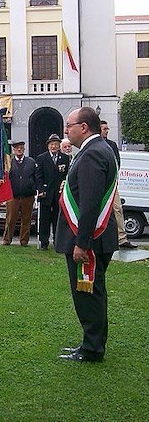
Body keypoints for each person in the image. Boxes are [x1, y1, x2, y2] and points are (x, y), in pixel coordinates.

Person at [56, 107, 118, 362]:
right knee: (93, 291)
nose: (66, 131)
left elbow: (91, 203)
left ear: (83, 127)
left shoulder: (92, 154)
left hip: (88, 241)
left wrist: (82, 243)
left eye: (69, 125)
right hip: (97, 238)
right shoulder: (100, 149)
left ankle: (92, 348)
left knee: (87, 293)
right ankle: (93, 343)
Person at [100, 120, 137, 249]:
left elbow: (117, 163)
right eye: (104, 128)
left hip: (110, 183)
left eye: (107, 128)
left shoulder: (111, 145)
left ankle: (121, 238)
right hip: (98, 183)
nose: (107, 130)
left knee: (117, 208)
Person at [35, 134, 70, 250]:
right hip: (46, 193)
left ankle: (57, 241)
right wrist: (41, 189)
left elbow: (66, 175)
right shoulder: (42, 158)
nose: (54, 146)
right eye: (52, 144)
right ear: (48, 146)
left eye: (56, 144)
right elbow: (38, 176)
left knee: (57, 219)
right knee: (44, 219)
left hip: (58, 193)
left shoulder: (64, 158)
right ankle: (44, 243)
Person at [2, 141, 37, 246]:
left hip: (28, 196)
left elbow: (36, 177)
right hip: (13, 196)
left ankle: (24, 241)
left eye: (21, 148)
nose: (19, 150)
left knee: (26, 219)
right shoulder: (9, 163)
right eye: (17, 148)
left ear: (24, 149)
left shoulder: (31, 162)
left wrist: (34, 188)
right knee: (11, 219)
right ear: (14, 150)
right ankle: (7, 240)